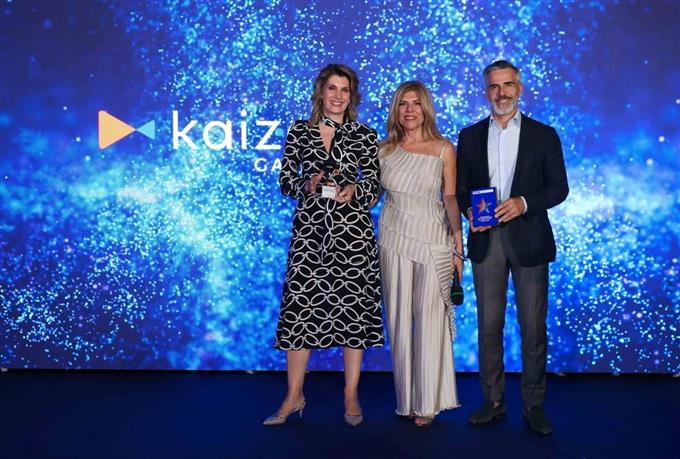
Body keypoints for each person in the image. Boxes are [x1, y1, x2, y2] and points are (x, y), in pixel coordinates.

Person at [263, 64, 384, 427]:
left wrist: (355, 189)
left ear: (352, 96)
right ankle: (293, 396)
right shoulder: (299, 131)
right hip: (310, 235)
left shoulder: (365, 134)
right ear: (321, 91)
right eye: (332, 88)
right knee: (299, 311)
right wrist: (307, 183)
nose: (338, 96)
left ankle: (351, 395)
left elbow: (374, 183)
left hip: (353, 236)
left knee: (353, 311)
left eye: (345, 90)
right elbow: (286, 181)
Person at [456, 60, 569, 435]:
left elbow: (559, 188)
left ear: (519, 89)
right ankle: (493, 401)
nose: (501, 93)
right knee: (489, 327)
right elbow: (461, 190)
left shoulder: (544, 135)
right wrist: (469, 210)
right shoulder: (470, 136)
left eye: (508, 85)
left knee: (533, 328)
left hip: (530, 240)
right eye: (494, 86)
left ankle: (533, 405)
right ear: (485, 91)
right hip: (486, 240)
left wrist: (523, 203)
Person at [377, 81, 463, 426]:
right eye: (403, 104)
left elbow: (450, 198)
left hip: (433, 240)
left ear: (425, 108)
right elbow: (370, 195)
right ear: (396, 111)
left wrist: (459, 247)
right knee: (398, 322)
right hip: (393, 238)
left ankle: (428, 403)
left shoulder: (444, 149)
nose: (409, 110)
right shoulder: (383, 150)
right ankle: (408, 401)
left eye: (416, 103)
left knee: (429, 321)